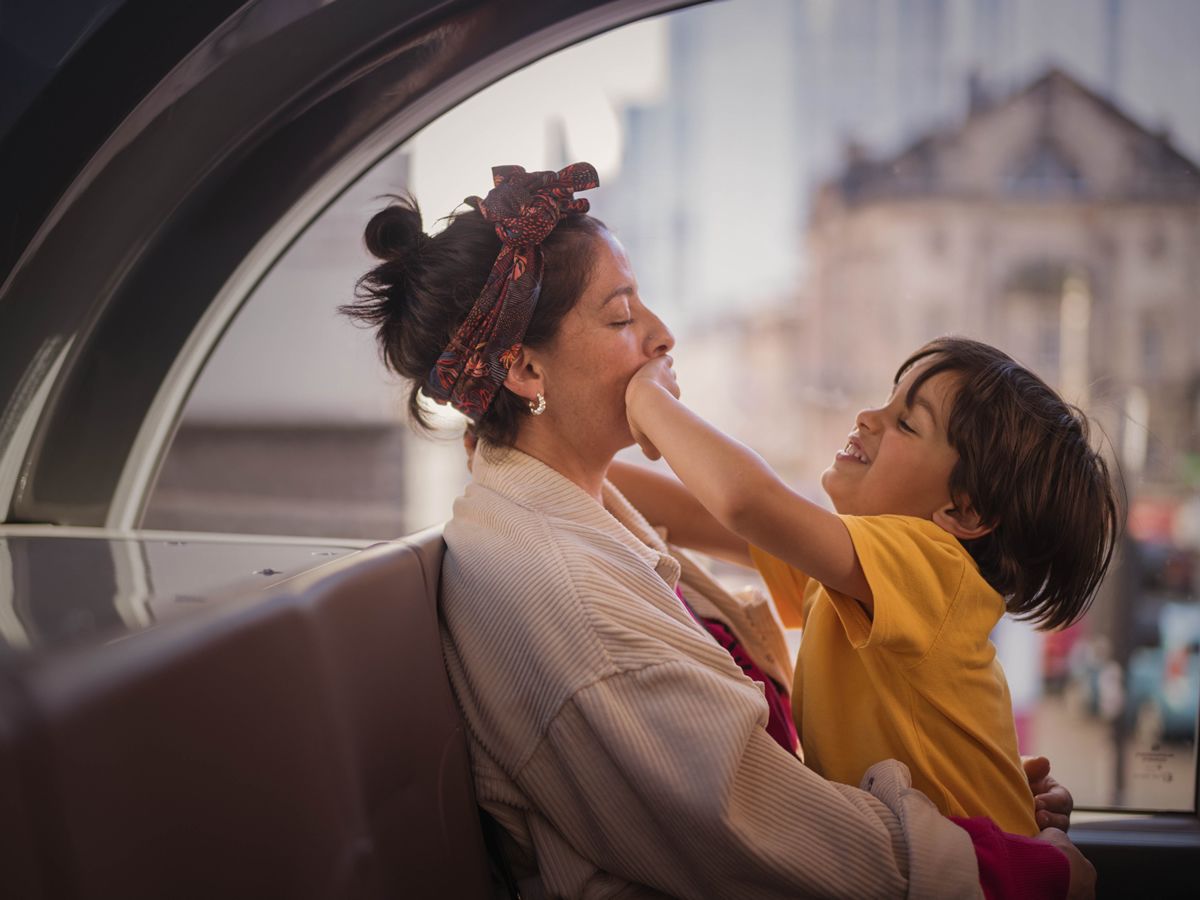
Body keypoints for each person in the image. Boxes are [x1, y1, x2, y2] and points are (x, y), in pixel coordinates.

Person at [343, 163, 1092, 898]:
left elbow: (719, 508)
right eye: (623, 317)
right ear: (526, 373)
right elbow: (728, 508)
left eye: (905, 423)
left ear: (965, 511)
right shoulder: (581, 614)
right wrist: (1036, 868)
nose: (664, 338)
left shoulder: (906, 559)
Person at [619, 340, 1120, 839]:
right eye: (887, 399)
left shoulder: (936, 566)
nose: (866, 416)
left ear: (963, 512)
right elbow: (685, 514)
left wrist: (646, 398)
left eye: (906, 422)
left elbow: (747, 501)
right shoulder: (851, 575)